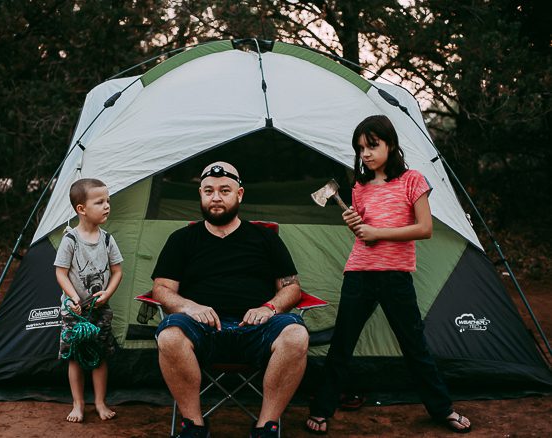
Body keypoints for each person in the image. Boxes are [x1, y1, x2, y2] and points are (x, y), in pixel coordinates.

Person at [305, 115, 472, 435]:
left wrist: (377, 231)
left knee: (414, 345)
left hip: (395, 275)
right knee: (342, 343)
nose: (365, 153)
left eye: (372, 145)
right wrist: (357, 224)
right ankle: (322, 408)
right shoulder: (360, 186)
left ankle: (442, 409)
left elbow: (424, 229)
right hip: (359, 272)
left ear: (390, 144)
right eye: (360, 148)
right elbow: (364, 234)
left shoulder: (413, 180)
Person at [152, 162, 310, 438]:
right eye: (209, 191)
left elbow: (292, 288)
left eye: (225, 190)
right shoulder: (182, 239)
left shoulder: (264, 238)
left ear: (239, 194)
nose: (216, 197)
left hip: (257, 328)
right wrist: (189, 307)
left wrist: (270, 307)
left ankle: (266, 426)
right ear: (200, 194)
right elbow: (162, 290)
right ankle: (194, 425)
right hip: (201, 329)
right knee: (169, 336)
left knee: (296, 334)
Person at [54, 178, 123, 423]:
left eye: (108, 201)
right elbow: (60, 272)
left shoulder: (107, 240)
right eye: (100, 202)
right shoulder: (70, 240)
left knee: (99, 356)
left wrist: (108, 293)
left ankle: (100, 402)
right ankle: (78, 403)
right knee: (75, 357)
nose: (107, 206)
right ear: (81, 209)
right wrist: (73, 297)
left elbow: (117, 271)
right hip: (74, 311)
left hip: (100, 310)